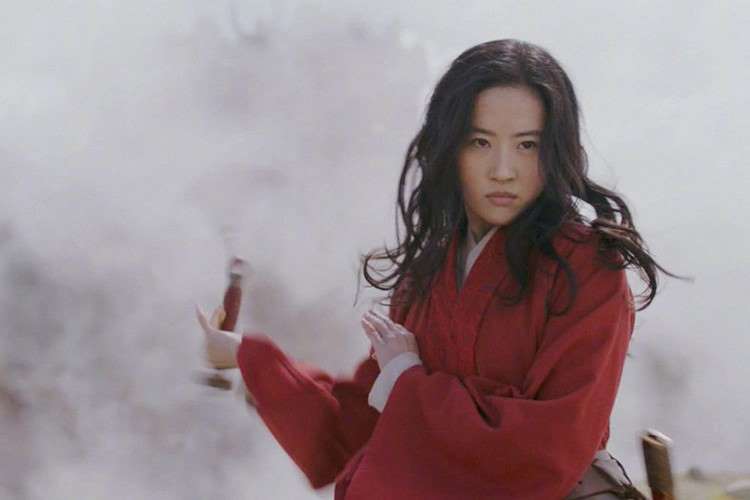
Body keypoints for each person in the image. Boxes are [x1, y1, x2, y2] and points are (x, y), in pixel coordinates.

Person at [195, 39, 678, 499]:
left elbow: (549, 447)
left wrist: (407, 381)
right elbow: (355, 430)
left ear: (554, 151)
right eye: (480, 142)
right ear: (449, 148)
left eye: (527, 145)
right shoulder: (428, 273)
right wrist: (248, 358)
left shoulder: (587, 266)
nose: (503, 169)